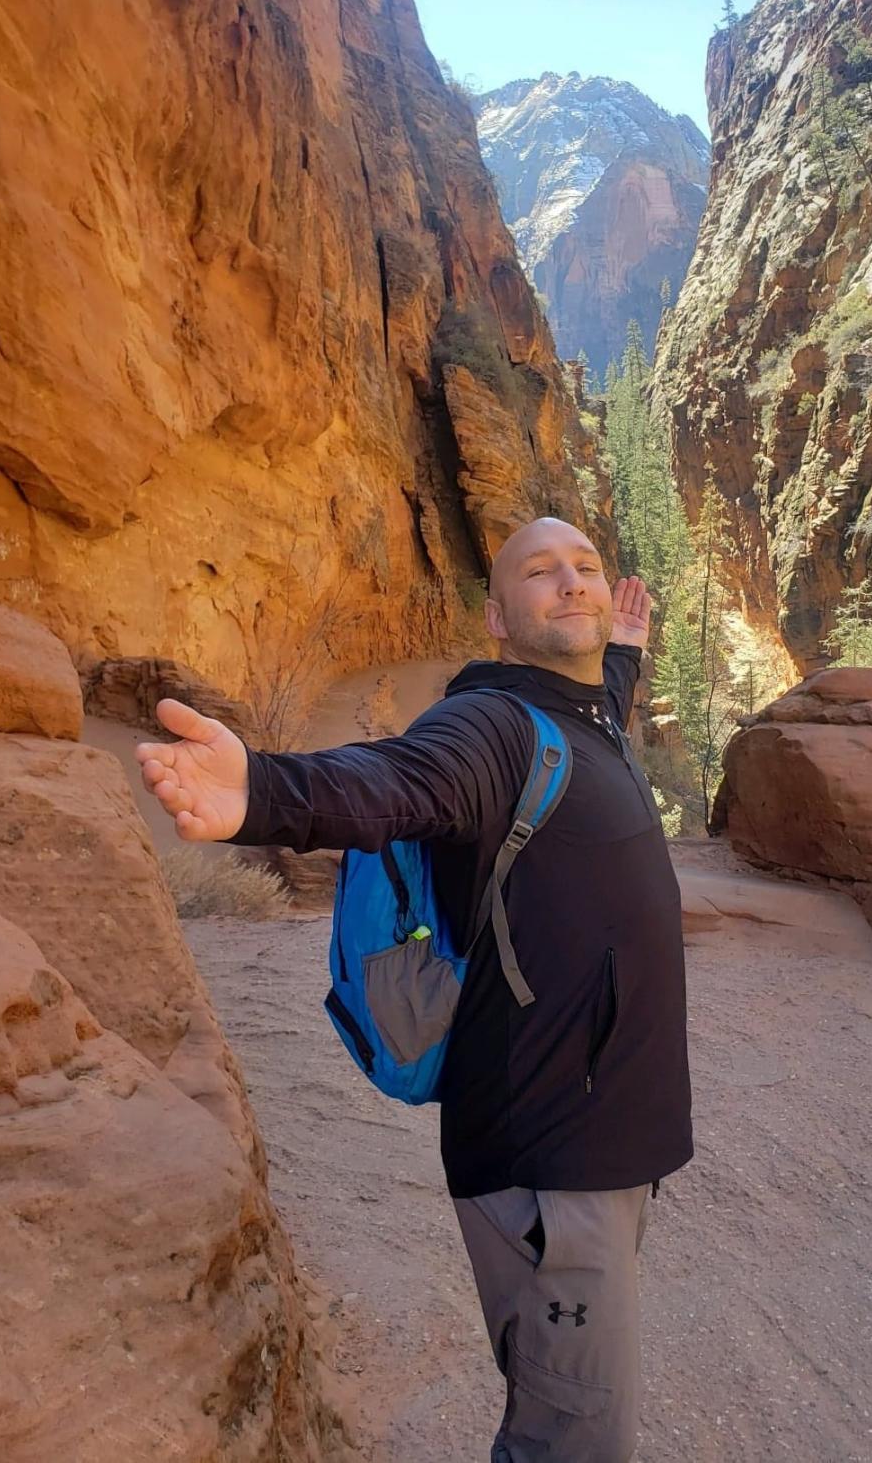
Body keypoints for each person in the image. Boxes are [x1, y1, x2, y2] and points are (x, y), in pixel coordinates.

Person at [135, 515, 693, 1461]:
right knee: (574, 1442)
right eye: (540, 572)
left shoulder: (587, 712)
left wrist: (625, 658)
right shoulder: (492, 726)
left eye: (589, 567)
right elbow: (399, 779)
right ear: (494, 618)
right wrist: (263, 794)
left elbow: (600, 692)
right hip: (548, 1159)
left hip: (604, 1143)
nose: (573, 583)